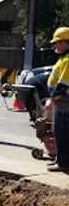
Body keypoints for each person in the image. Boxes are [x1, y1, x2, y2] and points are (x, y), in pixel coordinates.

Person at [47, 27, 69, 173]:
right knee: (60, 132)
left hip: (64, 102)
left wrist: (53, 99)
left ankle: (63, 163)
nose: (55, 45)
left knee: (61, 132)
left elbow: (64, 84)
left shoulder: (67, 60)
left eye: (58, 42)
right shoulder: (63, 58)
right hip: (61, 101)